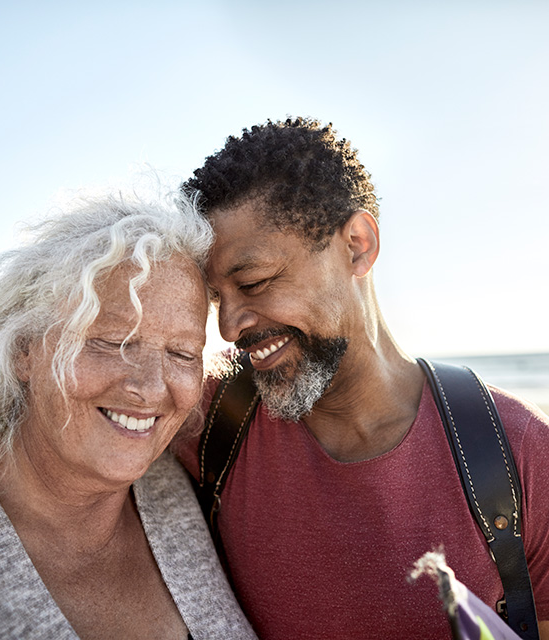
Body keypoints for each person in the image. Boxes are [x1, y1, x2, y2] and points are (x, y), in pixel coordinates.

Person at [176, 117, 549, 639]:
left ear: (357, 244)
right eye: (217, 297)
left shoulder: (518, 451)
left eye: (254, 282)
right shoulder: (205, 416)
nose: (228, 325)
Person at [0, 191, 257, 640]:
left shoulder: (177, 483)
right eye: (112, 342)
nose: (151, 388)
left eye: (182, 353)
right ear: (23, 350)